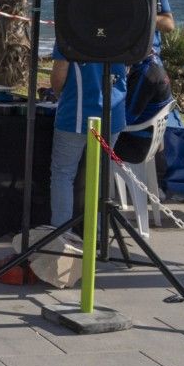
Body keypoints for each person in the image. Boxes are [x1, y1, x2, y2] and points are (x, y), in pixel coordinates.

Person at [47, 45, 128, 231]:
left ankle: (61, 232)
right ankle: (97, 231)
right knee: (100, 173)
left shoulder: (72, 26)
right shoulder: (124, 24)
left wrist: (60, 95)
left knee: (63, 174)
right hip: (112, 112)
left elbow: (59, 76)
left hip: (76, 112)